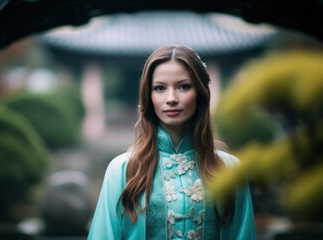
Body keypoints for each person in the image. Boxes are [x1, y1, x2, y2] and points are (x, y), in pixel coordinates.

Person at [88, 45, 256, 239]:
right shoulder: (123, 170)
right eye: (159, 88)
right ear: (148, 96)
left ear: (200, 93)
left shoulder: (230, 169)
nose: (171, 99)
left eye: (183, 86)